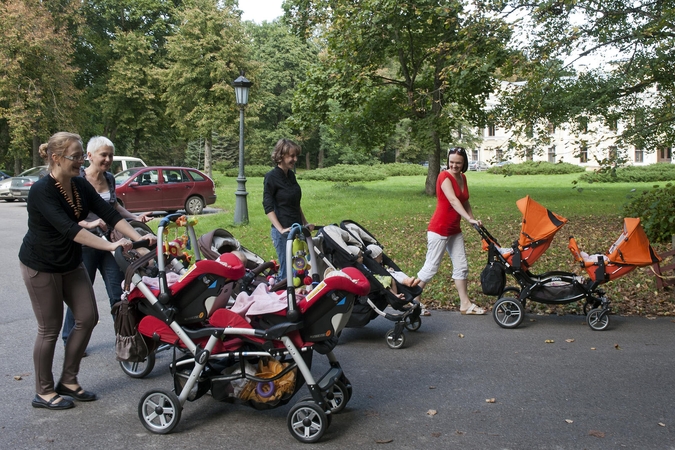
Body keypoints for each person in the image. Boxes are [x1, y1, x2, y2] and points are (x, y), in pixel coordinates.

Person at [19, 132, 156, 410]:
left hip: (70, 262)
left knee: (88, 317)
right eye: (77, 156)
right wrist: (109, 247)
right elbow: (71, 230)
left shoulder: (80, 185)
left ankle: (68, 380)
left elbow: (111, 215)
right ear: (56, 158)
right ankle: (43, 391)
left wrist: (139, 239)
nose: (82, 161)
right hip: (41, 265)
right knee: (50, 329)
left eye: (83, 155)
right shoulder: (42, 190)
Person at [61, 136, 151, 347]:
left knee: (118, 292)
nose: (108, 159)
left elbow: (114, 208)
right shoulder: (76, 180)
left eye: (110, 154)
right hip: (86, 245)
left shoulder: (109, 178)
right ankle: (70, 340)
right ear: (89, 156)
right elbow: (66, 217)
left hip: (111, 244)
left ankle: (125, 338)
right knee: (81, 295)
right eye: (104, 154)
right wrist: (88, 224)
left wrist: (134, 219)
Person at [416, 147, 484, 316]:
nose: (454, 166)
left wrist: (472, 219)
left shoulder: (463, 177)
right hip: (439, 229)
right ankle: (412, 301)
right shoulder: (444, 176)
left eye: (458, 163)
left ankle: (465, 304)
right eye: (451, 162)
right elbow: (453, 200)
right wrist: (468, 219)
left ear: (464, 164)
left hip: (454, 230)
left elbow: (464, 200)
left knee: (461, 267)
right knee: (431, 267)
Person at [262, 139, 314, 280]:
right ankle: (282, 298)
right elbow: (268, 207)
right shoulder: (271, 177)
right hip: (284, 233)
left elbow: (295, 203)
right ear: (281, 155)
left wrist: (305, 223)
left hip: (297, 230)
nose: (295, 159)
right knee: (287, 275)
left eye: (296, 156)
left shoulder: (290, 175)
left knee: (301, 271)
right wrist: (280, 229)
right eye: (291, 156)